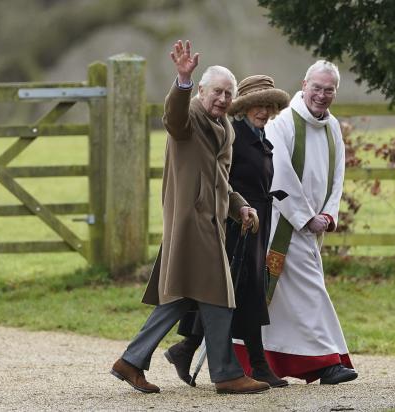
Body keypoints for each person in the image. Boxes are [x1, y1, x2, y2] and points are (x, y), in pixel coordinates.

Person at [110, 40, 270, 395]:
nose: (223, 99)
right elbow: (173, 117)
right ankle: (227, 373)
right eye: (217, 91)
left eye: (229, 93)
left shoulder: (225, 128)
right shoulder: (191, 116)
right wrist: (181, 80)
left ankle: (131, 361)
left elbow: (221, 182)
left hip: (212, 223)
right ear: (201, 90)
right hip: (191, 223)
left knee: (183, 297)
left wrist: (240, 205)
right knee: (219, 297)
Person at [164, 75, 290, 388]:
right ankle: (254, 365)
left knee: (242, 292)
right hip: (233, 225)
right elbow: (220, 178)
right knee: (235, 293)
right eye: (258, 105)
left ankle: (186, 348)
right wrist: (235, 210)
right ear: (244, 107)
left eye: (269, 106)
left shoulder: (260, 136)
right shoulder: (235, 135)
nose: (264, 111)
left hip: (256, 221)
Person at [246, 60, 359, 385]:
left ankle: (253, 359)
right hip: (282, 224)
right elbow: (278, 173)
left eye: (329, 90)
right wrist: (306, 217)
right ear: (304, 84)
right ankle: (326, 362)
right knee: (310, 291)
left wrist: (329, 213)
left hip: (313, 228)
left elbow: (338, 173)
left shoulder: (332, 126)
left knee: (284, 300)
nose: (322, 95)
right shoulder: (282, 123)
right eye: (317, 88)